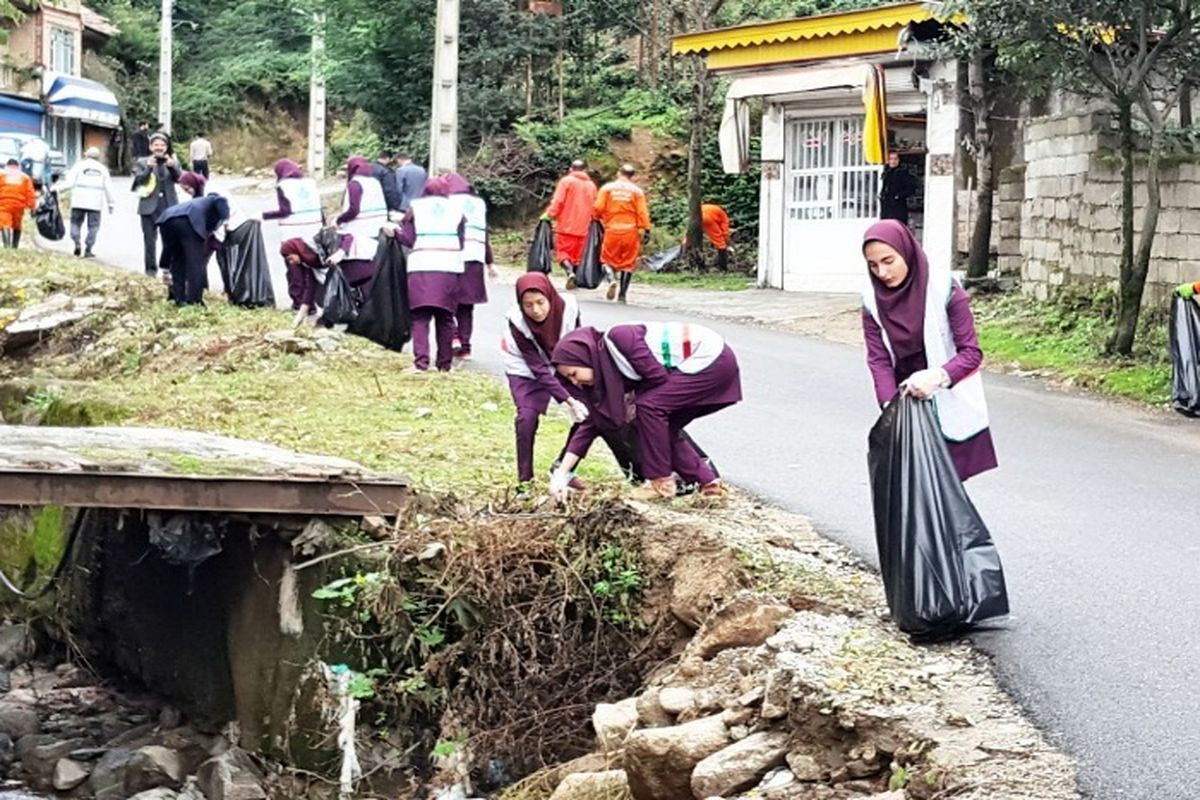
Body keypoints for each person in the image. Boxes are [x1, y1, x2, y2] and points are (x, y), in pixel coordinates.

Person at [861, 219, 997, 483]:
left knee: (945, 494)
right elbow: (878, 360)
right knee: (912, 493)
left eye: (889, 261)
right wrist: (890, 408)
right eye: (873, 265)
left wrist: (936, 377)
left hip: (947, 400)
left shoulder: (944, 289)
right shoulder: (871, 300)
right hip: (907, 406)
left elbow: (971, 353)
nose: (882, 272)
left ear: (907, 252)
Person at [549, 321, 741, 500]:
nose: (575, 382)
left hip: (710, 358)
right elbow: (591, 425)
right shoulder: (606, 377)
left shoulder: (619, 338)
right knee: (661, 428)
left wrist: (633, 400)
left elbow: (657, 377)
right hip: (698, 368)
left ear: (584, 357)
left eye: (573, 374)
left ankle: (660, 482)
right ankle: (709, 485)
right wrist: (561, 474)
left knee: (648, 409)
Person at [502, 272, 588, 487]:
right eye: (528, 305)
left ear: (550, 297)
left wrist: (577, 392)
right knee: (526, 418)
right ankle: (525, 480)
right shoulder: (517, 321)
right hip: (525, 367)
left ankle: (563, 468)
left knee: (588, 412)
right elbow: (538, 369)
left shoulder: (569, 307)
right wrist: (567, 400)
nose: (536, 310)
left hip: (563, 360)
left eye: (541, 302)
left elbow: (579, 342)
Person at [395, 175, 465, 372]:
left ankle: (421, 363)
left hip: (422, 267)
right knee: (446, 318)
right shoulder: (458, 211)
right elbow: (461, 241)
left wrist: (393, 232)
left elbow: (408, 239)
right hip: (449, 268)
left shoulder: (416, 209)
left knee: (420, 317)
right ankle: (445, 364)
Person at [445, 173, 495, 360]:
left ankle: (454, 336)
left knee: (446, 302)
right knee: (466, 306)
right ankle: (466, 348)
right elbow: (485, 234)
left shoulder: (448, 202)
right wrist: (490, 262)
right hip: (475, 259)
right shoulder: (479, 204)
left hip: (453, 257)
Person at [156, 193, 230, 306]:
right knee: (195, 262)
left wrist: (164, 267)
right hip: (188, 220)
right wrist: (226, 220)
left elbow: (167, 250)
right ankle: (195, 300)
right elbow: (221, 200)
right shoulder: (214, 199)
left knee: (177, 259)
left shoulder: (197, 204)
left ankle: (179, 297)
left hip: (166, 219)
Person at [594, 164, 651, 304]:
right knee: (628, 264)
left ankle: (612, 280)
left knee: (606, 260)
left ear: (619, 173)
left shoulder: (607, 188)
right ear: (632, 176)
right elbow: (642, 212)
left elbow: (598, 207)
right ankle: (622, 296)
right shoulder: (637, 191)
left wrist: (597, 218)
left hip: (612, 229)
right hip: (630, 231)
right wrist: (646, 229)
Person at [542, 160, 598, 289]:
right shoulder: (591, 186)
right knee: (577, 256)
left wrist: (550, 214)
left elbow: (558, 201)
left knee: (563, 253)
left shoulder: (566, 181)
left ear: (571, 169)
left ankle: (569, 272)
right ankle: (575, 280)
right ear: (585, 170)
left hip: (566, 226)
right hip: (584, 227)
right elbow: (595, 207)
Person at [132, 133, 182, 277]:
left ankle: (168, 269)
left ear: (166, 147)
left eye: (162, 145)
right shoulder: (142, 162)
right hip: (148, 206)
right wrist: (148, 168)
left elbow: (180, 180)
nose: (159, 148)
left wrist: (172, 167)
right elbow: (138, 182)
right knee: (149, 241)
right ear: (150, 147)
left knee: (170, 240)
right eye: (156, 145)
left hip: (169, 206)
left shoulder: (173, 161)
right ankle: (150, 271)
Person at [61, 147, 115, 257]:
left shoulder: (78, 166)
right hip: (95, 203)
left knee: (75, 222)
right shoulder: (103, 169)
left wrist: (57, 189)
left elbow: (69, 183)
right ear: (98, 157)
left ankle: (77, 242)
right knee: (93, 226)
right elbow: (108, 187)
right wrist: (111, 203)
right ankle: (88, 249)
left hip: (78, 201)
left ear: (86, 155)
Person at [337, 155, 389, 261]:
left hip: (359, 229)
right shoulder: (374, 182)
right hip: (377, 226)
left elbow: (354, 209)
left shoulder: (355, 184)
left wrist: (339, 220)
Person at [262, 159, 324, 244]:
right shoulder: (311, 183)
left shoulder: (283, 185)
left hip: (293, 231)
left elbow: (285, 211)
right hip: (315, 228)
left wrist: (264, 216)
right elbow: (319, 207)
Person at [0, 159, 35, 249]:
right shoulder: (25, 177)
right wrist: (32, 207)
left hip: (4, 205)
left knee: (5, 224)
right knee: (17, 225)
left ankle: (7, 247)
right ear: (18, 166)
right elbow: (30, 193)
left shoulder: (1, 175)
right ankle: (15, 246)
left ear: (7, 165)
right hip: (19, 206)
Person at [879, 151, 916, 225]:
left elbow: (911, 189)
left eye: (895, 159)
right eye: (891, 159)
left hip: (898, 207)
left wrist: (898, 196)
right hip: (886, 206)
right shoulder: (886, 172)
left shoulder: (903, 173)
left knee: (898, 226)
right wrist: (881, 195)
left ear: (898, 160)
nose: (893, 161)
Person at [701, 202, 732, 271]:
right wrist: (729, 244)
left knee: (689, 238)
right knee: (720, 243)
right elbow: (725, 233)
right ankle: (723, 267)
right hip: (707, 218)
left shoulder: (715, 208)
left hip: (696, 214)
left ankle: (682, 255)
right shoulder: (724, 217)